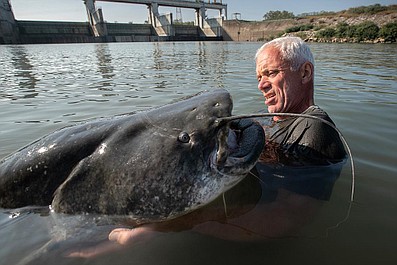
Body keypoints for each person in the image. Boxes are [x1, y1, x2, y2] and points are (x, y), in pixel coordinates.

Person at [255, 36, 346, 165]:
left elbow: (285, 182)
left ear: (305, 73)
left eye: (271, 73)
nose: (261, 86)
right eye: (259, 78)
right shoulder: (264, 116)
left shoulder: (314, 126)